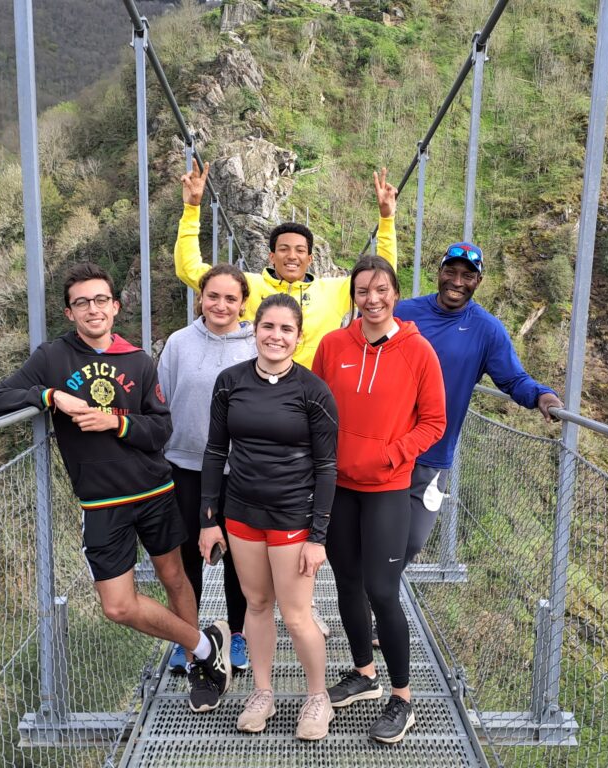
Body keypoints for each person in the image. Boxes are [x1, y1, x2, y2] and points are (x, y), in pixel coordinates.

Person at [0, 262, 232, 713]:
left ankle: (200, 666)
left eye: (100, 300)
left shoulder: (138, 360)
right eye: (82, 303)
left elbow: (161, 431)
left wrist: (114, 422)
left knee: (175, 577)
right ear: (69, 312)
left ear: (115, 307)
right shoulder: (52, 359)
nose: (92, 309)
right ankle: (204, 644)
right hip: (101, 501)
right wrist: (49, 396)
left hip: (154, 491)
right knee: (118, 606)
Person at [312, 257, 446, 744]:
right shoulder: (332, 346)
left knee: (382, 590)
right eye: (363, 289)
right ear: (354, 295)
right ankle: (365, 674)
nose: (372, 298)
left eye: (382, 289)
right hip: (338, 487)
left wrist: (392, 455)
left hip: (388, 489)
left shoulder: (418, 351)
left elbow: (434, 421)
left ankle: (402, 698)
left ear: (395, 293)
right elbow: (315, 406)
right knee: (346, 581)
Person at [199, 294, 339, 741]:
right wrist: (208, 519)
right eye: (268, 327)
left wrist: (318, 536)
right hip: (241, 513)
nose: (275, 336)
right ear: (254, 329)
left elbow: (327, 467)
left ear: (298, 339)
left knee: (297, 615)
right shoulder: (229, 382)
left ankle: (318, 698)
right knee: (256, 605)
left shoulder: (313, 392)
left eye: (286, 330)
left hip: (292, 515)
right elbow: (215, 451)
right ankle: (263, 692)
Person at [395, 242, 564, 565]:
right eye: (451, 272)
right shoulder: (405, 313)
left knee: (412, 541)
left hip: (434, 453)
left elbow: (513, 379)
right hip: (388, 445)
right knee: (374, 533)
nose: (457, 282)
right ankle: (366, 602)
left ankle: (375, 594)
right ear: (439, 272)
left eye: (467, 276)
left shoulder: (487, 330)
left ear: (478, 282)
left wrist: (542, 394)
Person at [173, 159, 399, 369]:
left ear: (310, 259)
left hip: (312, 393)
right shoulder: (246, 286)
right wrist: (192, 208)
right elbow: (189, 269)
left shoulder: (332, 291)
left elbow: (382, 276)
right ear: (271, 256)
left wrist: (386, 220)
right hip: (258, 389)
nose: (292, 256)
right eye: (283, 249)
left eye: (300, 250)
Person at [157, 263, 256, 677]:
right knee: (185, 557)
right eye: (212, 296)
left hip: (239, 469)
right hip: (185, 464)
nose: (220, 304)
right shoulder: (179, 343)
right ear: (200, 298)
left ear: (243, 303)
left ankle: (237, 634)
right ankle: (188, 637)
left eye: (230, 298)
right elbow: (161, 400)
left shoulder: (255, 345)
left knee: (240, 557)